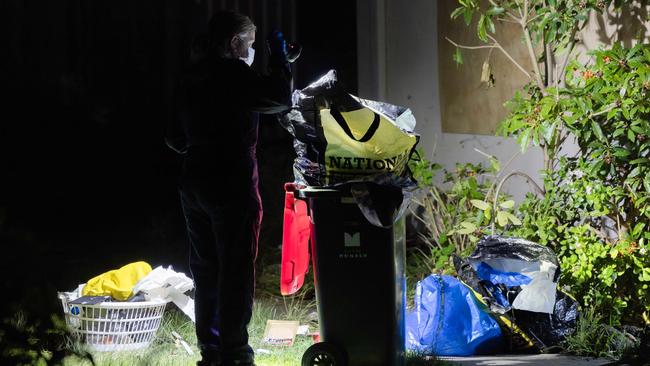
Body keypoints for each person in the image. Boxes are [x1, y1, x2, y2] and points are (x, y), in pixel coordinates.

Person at [166, 10, 295, 366]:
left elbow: (173, 137)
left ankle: (211, 349)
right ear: (233, 42)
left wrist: (202, 139)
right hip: (231, 179)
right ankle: (235, 353)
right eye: (250, 44)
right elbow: (280, 99)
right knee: (235, 268)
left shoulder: (190, 76)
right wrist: (280, 58)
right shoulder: (233, 73)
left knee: (205, 268)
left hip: (194, 178)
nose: (250, 51)